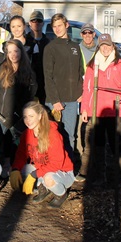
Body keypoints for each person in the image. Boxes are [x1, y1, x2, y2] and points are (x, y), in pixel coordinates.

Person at [80, 33, 121, 186]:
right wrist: (85, 109)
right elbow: (87, 88)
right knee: (98, 145)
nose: (105, 49)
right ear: (99, 47)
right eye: (102, 46)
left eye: (108, 45)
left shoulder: (120, 65)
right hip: (97, 111)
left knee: (116, 145)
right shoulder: (92, 65)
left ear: (113, 46)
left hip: (115, 111)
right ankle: (100, 177)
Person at [0, 39, 37, 176]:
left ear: (21, 51)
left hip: (16, 116)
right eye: (9, 52)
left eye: (16, 51)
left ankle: (9, 165)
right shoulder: (2, 70)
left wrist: (20, 116)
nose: (13, 54)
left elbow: (29, 98)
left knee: (12, 143)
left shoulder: (28, 74)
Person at [10, 102, 74, 209]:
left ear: (40, 116)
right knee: (20, 170)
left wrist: (34, 174)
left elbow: (56, 164)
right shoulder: (27, 133)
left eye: (31, 116)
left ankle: (61, 194)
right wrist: (15, 169)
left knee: (48, 178)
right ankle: (43, 187)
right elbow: (21, 154)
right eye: (25, 117)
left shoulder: (53, 134)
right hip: (43, 166)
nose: (28, 120)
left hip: (62, 172)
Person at [43, 13, 84, 152]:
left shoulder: (75, 47)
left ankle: (68, 168)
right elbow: (47, 76)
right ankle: (52, 168)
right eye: (54, 26)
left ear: (67, 25)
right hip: (55, 100)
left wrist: (80, 92)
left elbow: (80, 71)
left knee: (70, 136)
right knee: (52, 135)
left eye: (60, 25)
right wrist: (55, 100)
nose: (57, 29)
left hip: (72, 100)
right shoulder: (50, 48)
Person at [75, 23, 98, 182]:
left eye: (90, 32)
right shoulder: (77, 49)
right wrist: (79, 93)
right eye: (85, 33)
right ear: (81, 35)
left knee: (95, 127)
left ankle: (95, 161)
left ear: (94, 34)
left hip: (98, 94)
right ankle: (79, 156)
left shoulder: (101, 49)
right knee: (79, 128)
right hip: (83, 93)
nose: (88, 35)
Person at [26, 11, 50, 104]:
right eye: (33, 20)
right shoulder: (24, 41)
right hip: (28, 84)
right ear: (30, 23)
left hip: (44, 85)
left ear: (43, 23)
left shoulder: (48, 42)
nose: (36, 23)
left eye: (39, 21)